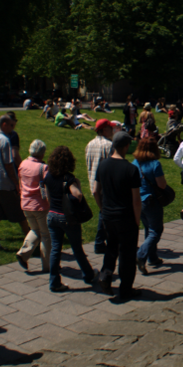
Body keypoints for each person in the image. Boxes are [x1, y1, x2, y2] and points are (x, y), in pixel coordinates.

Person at [94, 131, 142, 301]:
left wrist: (103, 209)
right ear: (126, 146)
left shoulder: (103, 165)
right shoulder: (131, 170)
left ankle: (105, 275)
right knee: (127, 255)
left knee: (111, 248)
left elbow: (95, 191)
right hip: (126, 216)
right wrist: (137, 221)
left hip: (108, 215)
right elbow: (136, 200)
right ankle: (125, 289)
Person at [44, 146, 98, 292]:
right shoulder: (68, 178)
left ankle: (54, 282)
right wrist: (78, 185)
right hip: (67, 217)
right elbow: (78, 195)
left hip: (52, 216)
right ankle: (88, 274)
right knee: (77, 249)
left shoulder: (48, 176)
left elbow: (47, 196)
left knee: (56, 249)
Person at [0, 115, 29, 251]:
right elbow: (9, 165)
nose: (12, 127)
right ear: (4, 124)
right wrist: (16, 182)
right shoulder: (4, 140)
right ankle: (31, 240)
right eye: (11, 125)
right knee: (20, 213)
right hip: (4, 182)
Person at [132, 138, 169, 274]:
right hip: (151, 201)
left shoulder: (135, 163)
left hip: (138, 201)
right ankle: (141, 255)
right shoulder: (155, 164)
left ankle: (152, 257)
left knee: (148, 228)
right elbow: (162, 185)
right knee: (156, 231)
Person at [15, 140, 51, 273]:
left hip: (25, 203)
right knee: (46, 235)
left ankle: (23, 253)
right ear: (42, 153)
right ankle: (47, 265)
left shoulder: (23, 164)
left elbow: (20, 182)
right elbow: (47, 188)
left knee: (35, 230)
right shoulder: (43, 168)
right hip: (40, 205)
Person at [86, 119, 119, 255]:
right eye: (110, 128)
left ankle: (102, 241)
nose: (112, 131)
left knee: (103, 211)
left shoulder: (90, 144)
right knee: (106, 213)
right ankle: (100, 242)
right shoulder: (109, 145)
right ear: (104, 130)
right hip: (106, 185)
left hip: (94, 183)